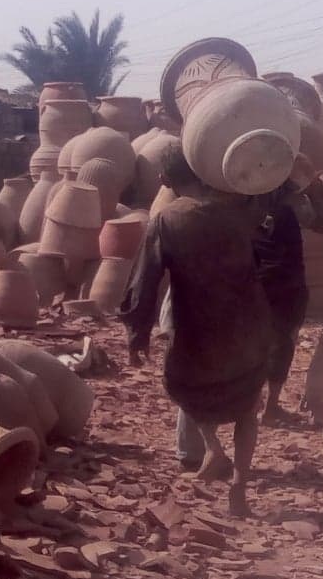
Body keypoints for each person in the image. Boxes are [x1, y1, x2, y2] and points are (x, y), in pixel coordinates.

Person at [120, 154, 272, 516]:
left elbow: (145, 279)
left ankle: (212, 447)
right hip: (248, 325)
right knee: (247, 406)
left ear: (164, 178)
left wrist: (138, 332)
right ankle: (239, 486)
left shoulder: (167, 219)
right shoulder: (239, 211)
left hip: (197, 328)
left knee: (184, 387)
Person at [253, 179, 309, 424]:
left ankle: (252, 405)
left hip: (256, 285)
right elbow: (320, 223)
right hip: (286, 287)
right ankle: (270, 408)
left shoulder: (246, 212)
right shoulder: (286, 213)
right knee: (283, 345)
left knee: (256, 346)